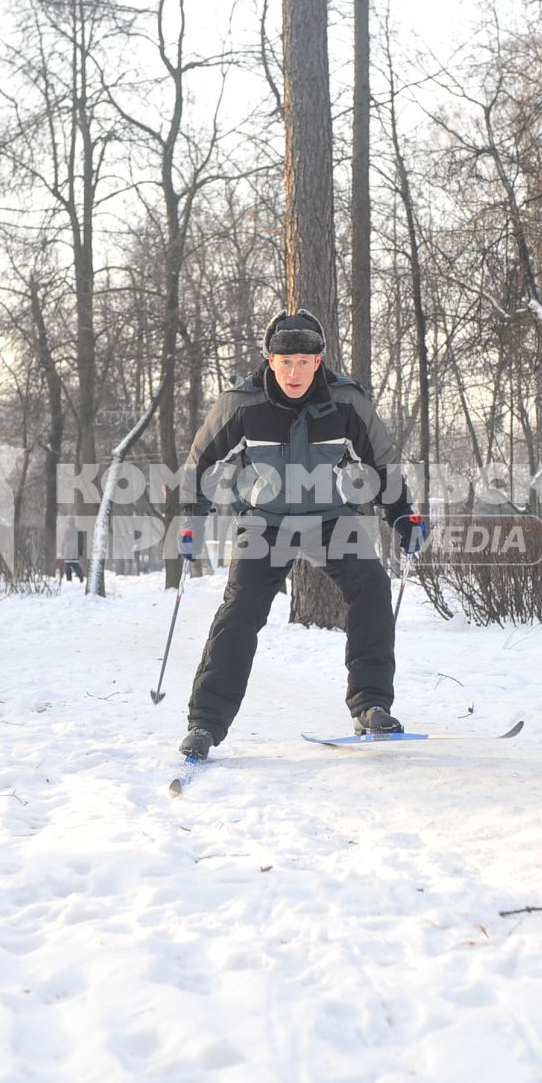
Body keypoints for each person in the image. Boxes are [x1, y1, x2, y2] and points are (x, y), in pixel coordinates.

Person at [174, 310, 426, 761]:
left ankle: (371, 705)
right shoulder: (241, 404)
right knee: (240, 610)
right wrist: (191, 516)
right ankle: (205, 725)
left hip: (331, 519)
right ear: (270, 361)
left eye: (304, 362)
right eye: (285, 361)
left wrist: (403, 514)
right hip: (264, 522)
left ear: (319, 361)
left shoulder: (347, 401)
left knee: (372, 585)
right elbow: (201, 463)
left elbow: (382, 463)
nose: (294, 372)